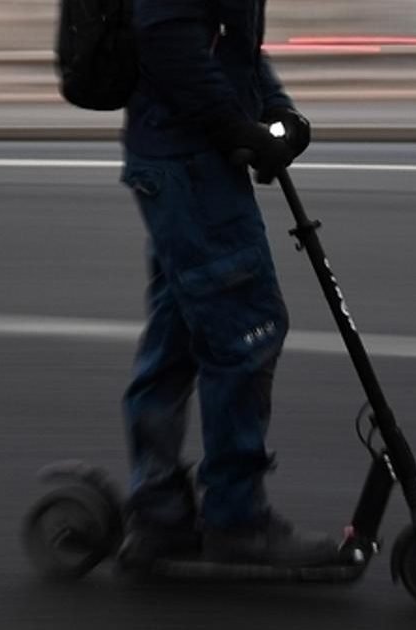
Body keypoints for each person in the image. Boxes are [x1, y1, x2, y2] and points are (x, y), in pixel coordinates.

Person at [116, 0, 338, 569]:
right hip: (188, 163)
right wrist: (237, 127)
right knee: (246, 331)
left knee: (179, 337)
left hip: (188, 157)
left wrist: (277, 111)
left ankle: (159, 513)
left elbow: (230, 45)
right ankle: (236, 519)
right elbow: (168, 42)